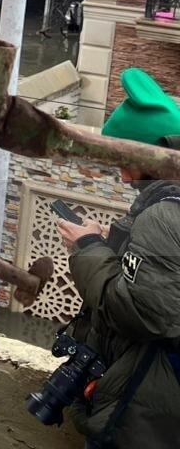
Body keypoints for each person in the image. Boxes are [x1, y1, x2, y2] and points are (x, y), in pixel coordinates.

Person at [56, 67, 180, 447]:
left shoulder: (164, 214)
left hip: (143, 416)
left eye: (125, 159)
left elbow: (140, 313)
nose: (123, 176)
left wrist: (89, 247)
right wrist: (120, 247)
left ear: (154, 153)